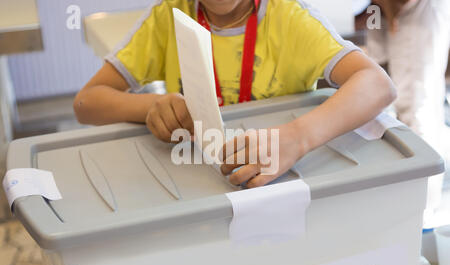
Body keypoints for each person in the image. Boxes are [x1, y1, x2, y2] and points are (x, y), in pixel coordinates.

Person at [74, 0, 396, 188]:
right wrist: (150, 106)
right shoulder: (170, 14)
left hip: (277, 186)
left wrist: (298, 137)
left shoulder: (289, 18)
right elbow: (87, 103)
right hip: (197, 183)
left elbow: (377, 84)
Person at [367, 0, 450, 224]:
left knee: (415, 105)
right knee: (373, 78)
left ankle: (421, 215)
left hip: (413, 8)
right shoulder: (373, 12)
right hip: (377, 9)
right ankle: (403, 211)